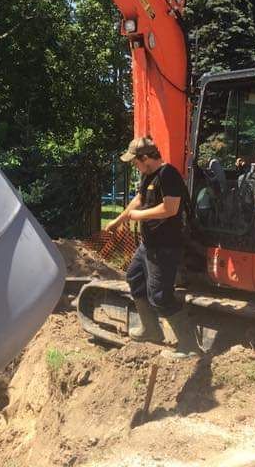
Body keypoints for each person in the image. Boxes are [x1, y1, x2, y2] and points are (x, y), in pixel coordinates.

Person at [105, 137, 198, 355]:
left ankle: (189, 346)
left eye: (135, 161)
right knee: (135, 278)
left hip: (166, 246)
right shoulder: (149, 175)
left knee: (160, 296)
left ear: (145, 158)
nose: (134, 165)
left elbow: (171, 208)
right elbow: (137, 201)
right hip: (148, 244)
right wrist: (119, 220)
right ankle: (151, 329)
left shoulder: (168, 175)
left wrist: (139, 216)